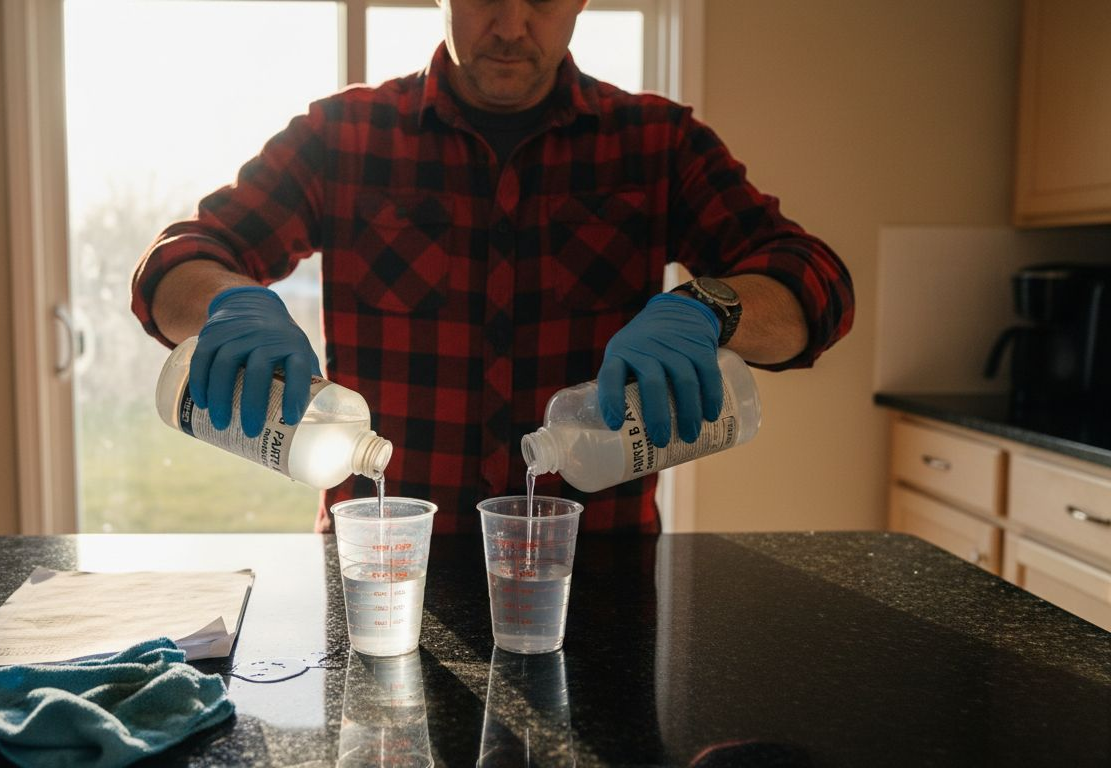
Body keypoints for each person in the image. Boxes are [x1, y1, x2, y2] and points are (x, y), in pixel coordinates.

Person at [131, 0, 854, 534]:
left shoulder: (657, 145)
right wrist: (228, 302)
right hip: (381, 567)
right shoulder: (342, 138)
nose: (511, 25)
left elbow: (814, 283)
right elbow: (178, 262)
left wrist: (712, 310)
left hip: (599, 577)